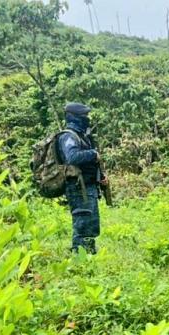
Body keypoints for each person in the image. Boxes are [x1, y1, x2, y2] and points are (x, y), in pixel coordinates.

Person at [59, 103, 106, 254]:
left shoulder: (82, 136)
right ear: (74, 117)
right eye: (83, 116)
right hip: (78, 188)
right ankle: (79, 259)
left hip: (88, 186)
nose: (87, 119)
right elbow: (72, 157)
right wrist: (93, 154)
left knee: (91, 224)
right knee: (82, 224)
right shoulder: (68, 136)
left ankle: (89, 256)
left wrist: (100, 178)